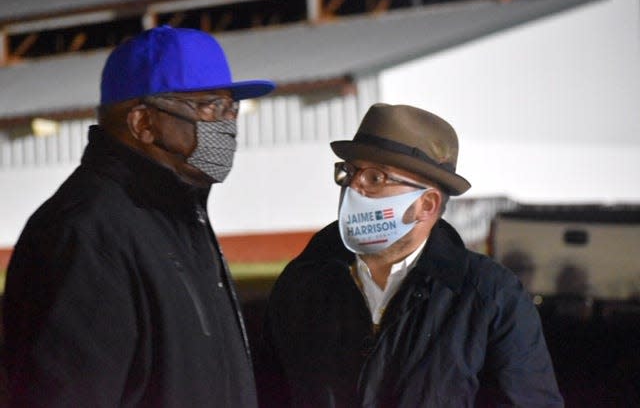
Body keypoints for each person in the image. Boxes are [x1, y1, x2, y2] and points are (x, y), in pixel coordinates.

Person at [2, 25, 274, 407]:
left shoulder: (180, 219)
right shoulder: (85, 233)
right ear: (143, 123)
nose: (226, 125)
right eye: (209, 107)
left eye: (230, 108)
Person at [260, 103, 563, 407]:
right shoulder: (304, 282)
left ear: (426, 205)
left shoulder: (489, 296)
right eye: (349, 172)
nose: (353, 187)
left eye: (375, 178)